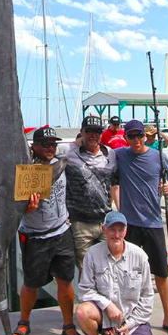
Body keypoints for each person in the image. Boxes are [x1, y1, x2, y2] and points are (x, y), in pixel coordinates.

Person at [113, 119, 168, 335]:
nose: (136, 140)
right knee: (127, 274)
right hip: (130, 226)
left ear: (145, 136)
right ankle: (126, 318)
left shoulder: (159, 157)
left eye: (139, 136)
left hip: (153, 224)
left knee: (161, 274)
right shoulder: (120, 155)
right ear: (125, 138)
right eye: (131, 136)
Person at [13, 127, 84, 335]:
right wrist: (28, 209)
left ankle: (68, 325)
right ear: (33, 147)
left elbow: (81, 142)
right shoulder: (25, 171)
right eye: (45, 144)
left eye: (53, 144)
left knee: (65, 280)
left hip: (61, 232)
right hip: (34, 236)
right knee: (31, 283)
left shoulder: (61, 165)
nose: (50, 148)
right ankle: (24, 321)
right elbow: (15, 208)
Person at [76, 211, 156, 335]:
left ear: (126, 231)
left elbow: (147, 296)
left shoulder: (139, 256)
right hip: (104, 315)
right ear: (103, 229)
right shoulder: (92, 253)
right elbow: (84, 290)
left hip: (130, 318)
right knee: (82, 312)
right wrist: (107, 305)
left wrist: (130, 324)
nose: (116, 234)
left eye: (121, 230)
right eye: (112, 229)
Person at [65, 116, 117, 272]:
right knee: (85, 269)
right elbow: (44, 151)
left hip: (105, 222)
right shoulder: (68, 152)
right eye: (89, 131)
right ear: (81, 132)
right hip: (80, 224)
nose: (93, 135)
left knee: (110, 266)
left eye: (97, 132)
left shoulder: (111, 154)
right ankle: (87, 297)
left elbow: (116, 184)